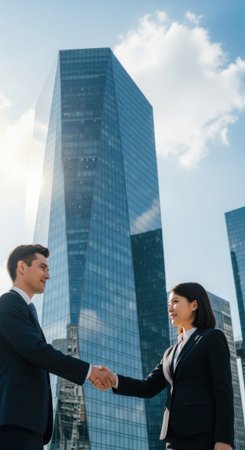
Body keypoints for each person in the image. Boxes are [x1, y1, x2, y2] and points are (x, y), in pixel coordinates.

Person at [92, 282, 234, 450]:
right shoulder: (170, 353)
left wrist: (224, 440)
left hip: (203, 435)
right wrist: (113, 379)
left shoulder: (211, 338)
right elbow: (148, 387)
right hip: (173, 438)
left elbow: (223, 391)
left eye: (175, 302)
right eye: (168, 304)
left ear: (194, 304)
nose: (169, 309)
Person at [0, 244, 114, 450]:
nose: (48, 275)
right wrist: (89, 371)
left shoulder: (25, 309)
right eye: (43, 267)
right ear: (22, 267)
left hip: (31, 423)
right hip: (14, 421)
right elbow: (37, 350)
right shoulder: (8, 304)